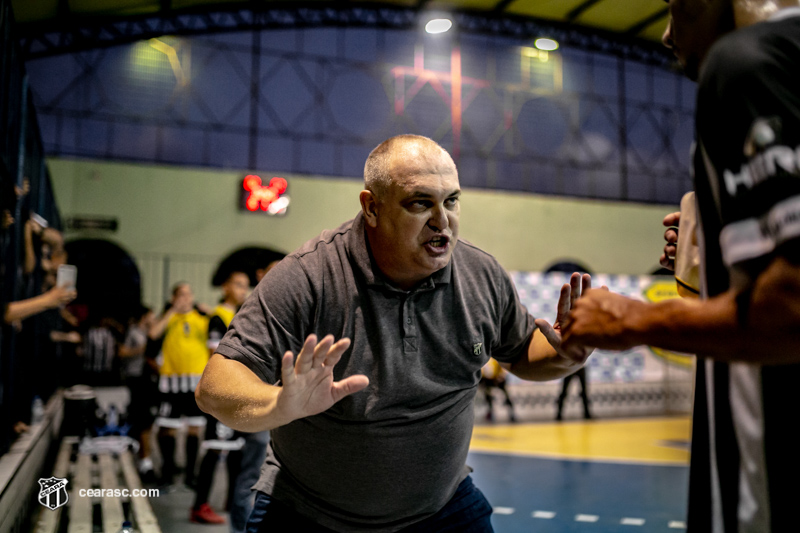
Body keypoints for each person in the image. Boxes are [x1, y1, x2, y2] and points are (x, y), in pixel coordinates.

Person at [196, 134, 595, 532]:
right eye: (421, 203)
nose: (443, 221)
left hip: (443, 510)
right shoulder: (307, 277)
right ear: (371, 207)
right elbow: (215, 386)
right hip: (308, 515)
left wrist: (564, 354)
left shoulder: (481, 275)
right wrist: (279, 405)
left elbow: (522, 353)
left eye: (451, 201)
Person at [561, 2, 800, 531]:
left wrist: (636, 319)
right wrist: (708, 271)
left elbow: (792, 307)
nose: (668, 34)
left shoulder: (748, 63)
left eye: (679, 7)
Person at [191, 271, 250, 525]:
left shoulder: (241, 315)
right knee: (216, 449)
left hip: (238, 391)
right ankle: (199, 505)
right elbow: (217, 355)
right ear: (226, 287)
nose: (242, 290)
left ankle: (232, 500)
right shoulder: (218, 317)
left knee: (237, 450)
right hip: (222, 391)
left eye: (246, 286)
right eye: (238, 285)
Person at [227, 263, 278, 533]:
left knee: (261, 476)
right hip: (257, 405)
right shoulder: (254, 310)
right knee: (251, 477)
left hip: (277, 407)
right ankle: (238, 528)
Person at [150, 283, 209, 489]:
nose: (185, 298)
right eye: (181, 295)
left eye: (188, 294)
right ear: (174, 297)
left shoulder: (202, 319)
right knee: (167, 427)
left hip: (194, 380)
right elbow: (153, 333)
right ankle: (167, 471)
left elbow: (223, 333)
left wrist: (210, 312)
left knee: (194, 428)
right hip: (171, 381)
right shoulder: (169, 318)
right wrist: (172, 311)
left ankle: (191, 474)